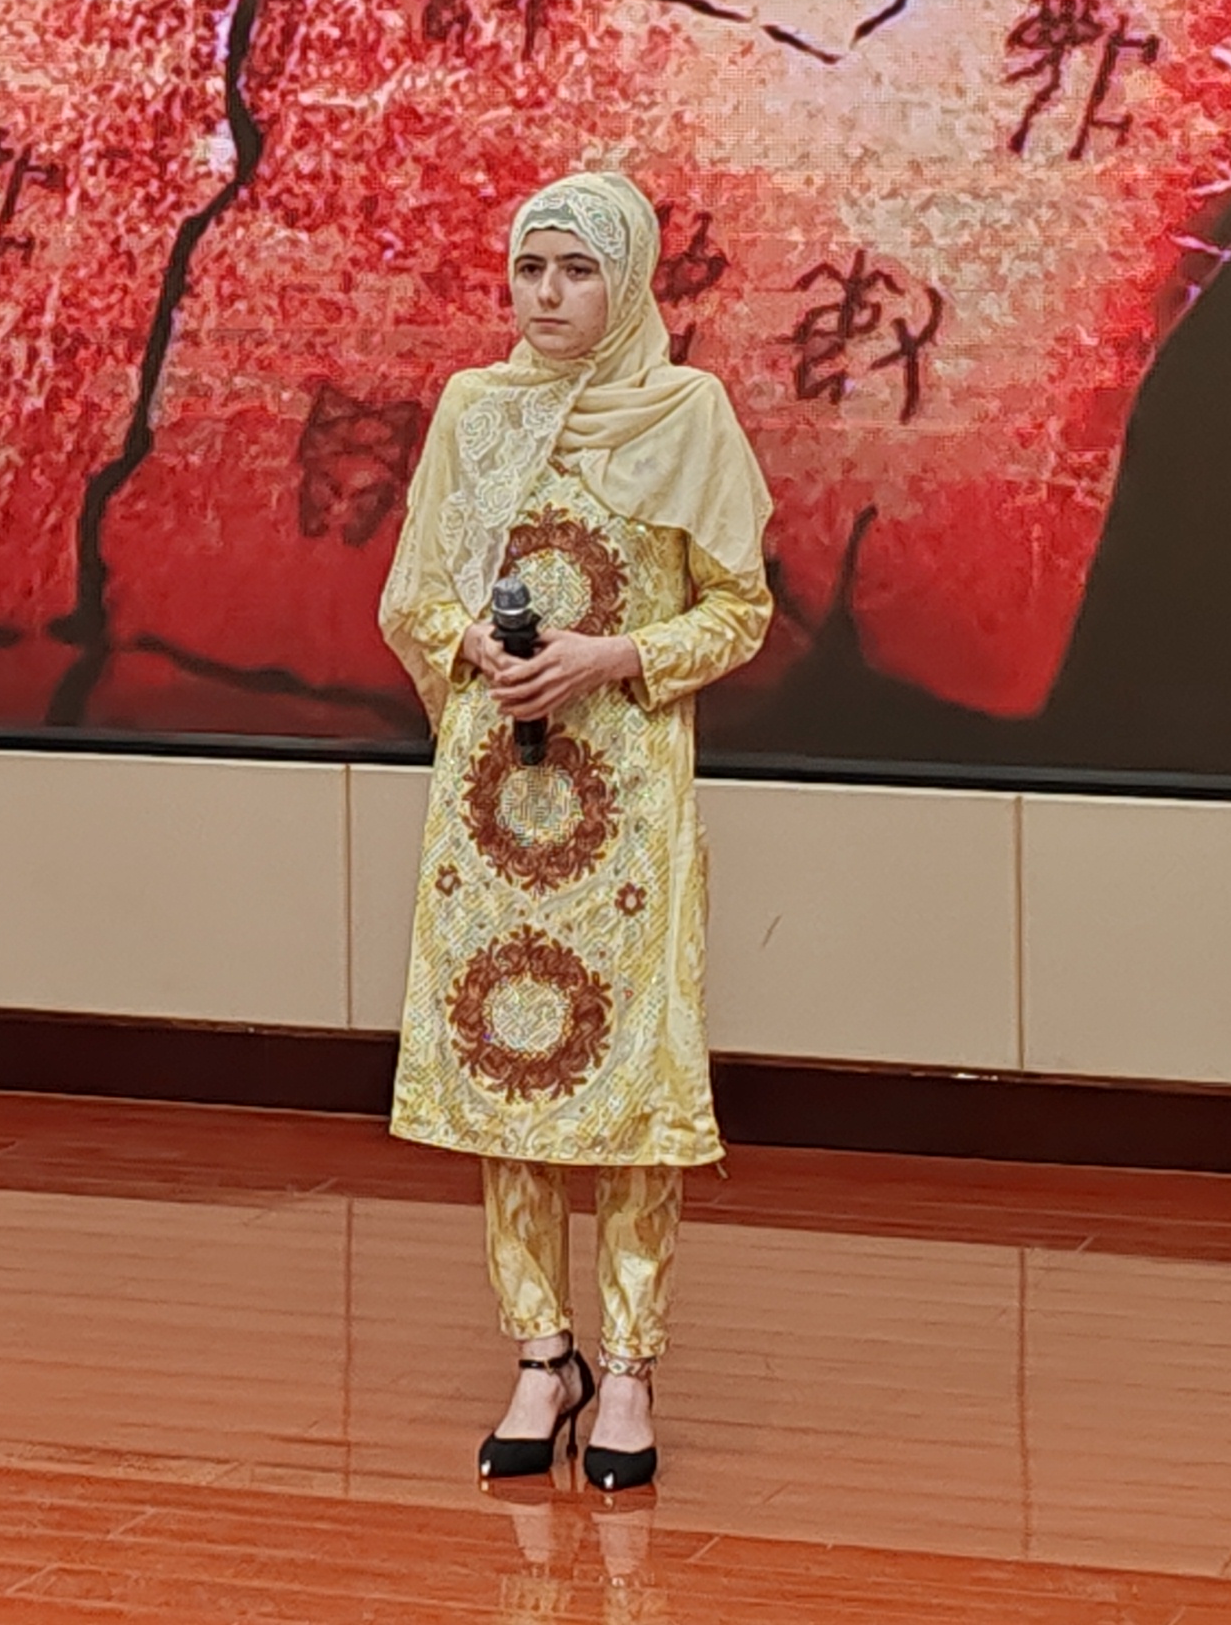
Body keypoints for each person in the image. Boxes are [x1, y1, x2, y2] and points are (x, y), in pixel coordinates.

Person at [373, 169, 773, 1493]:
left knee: (633, 1071)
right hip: (495, 789)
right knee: (510, 1058)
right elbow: (414, 598)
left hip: (629, 794)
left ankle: (633, 1364)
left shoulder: (687, 411)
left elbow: (738, 610)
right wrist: (473, 643)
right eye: (530, 268)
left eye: (577, 269)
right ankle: (542, 1355)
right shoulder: (473, 408)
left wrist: (611, 655)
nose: (546, 295)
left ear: (631, 279)